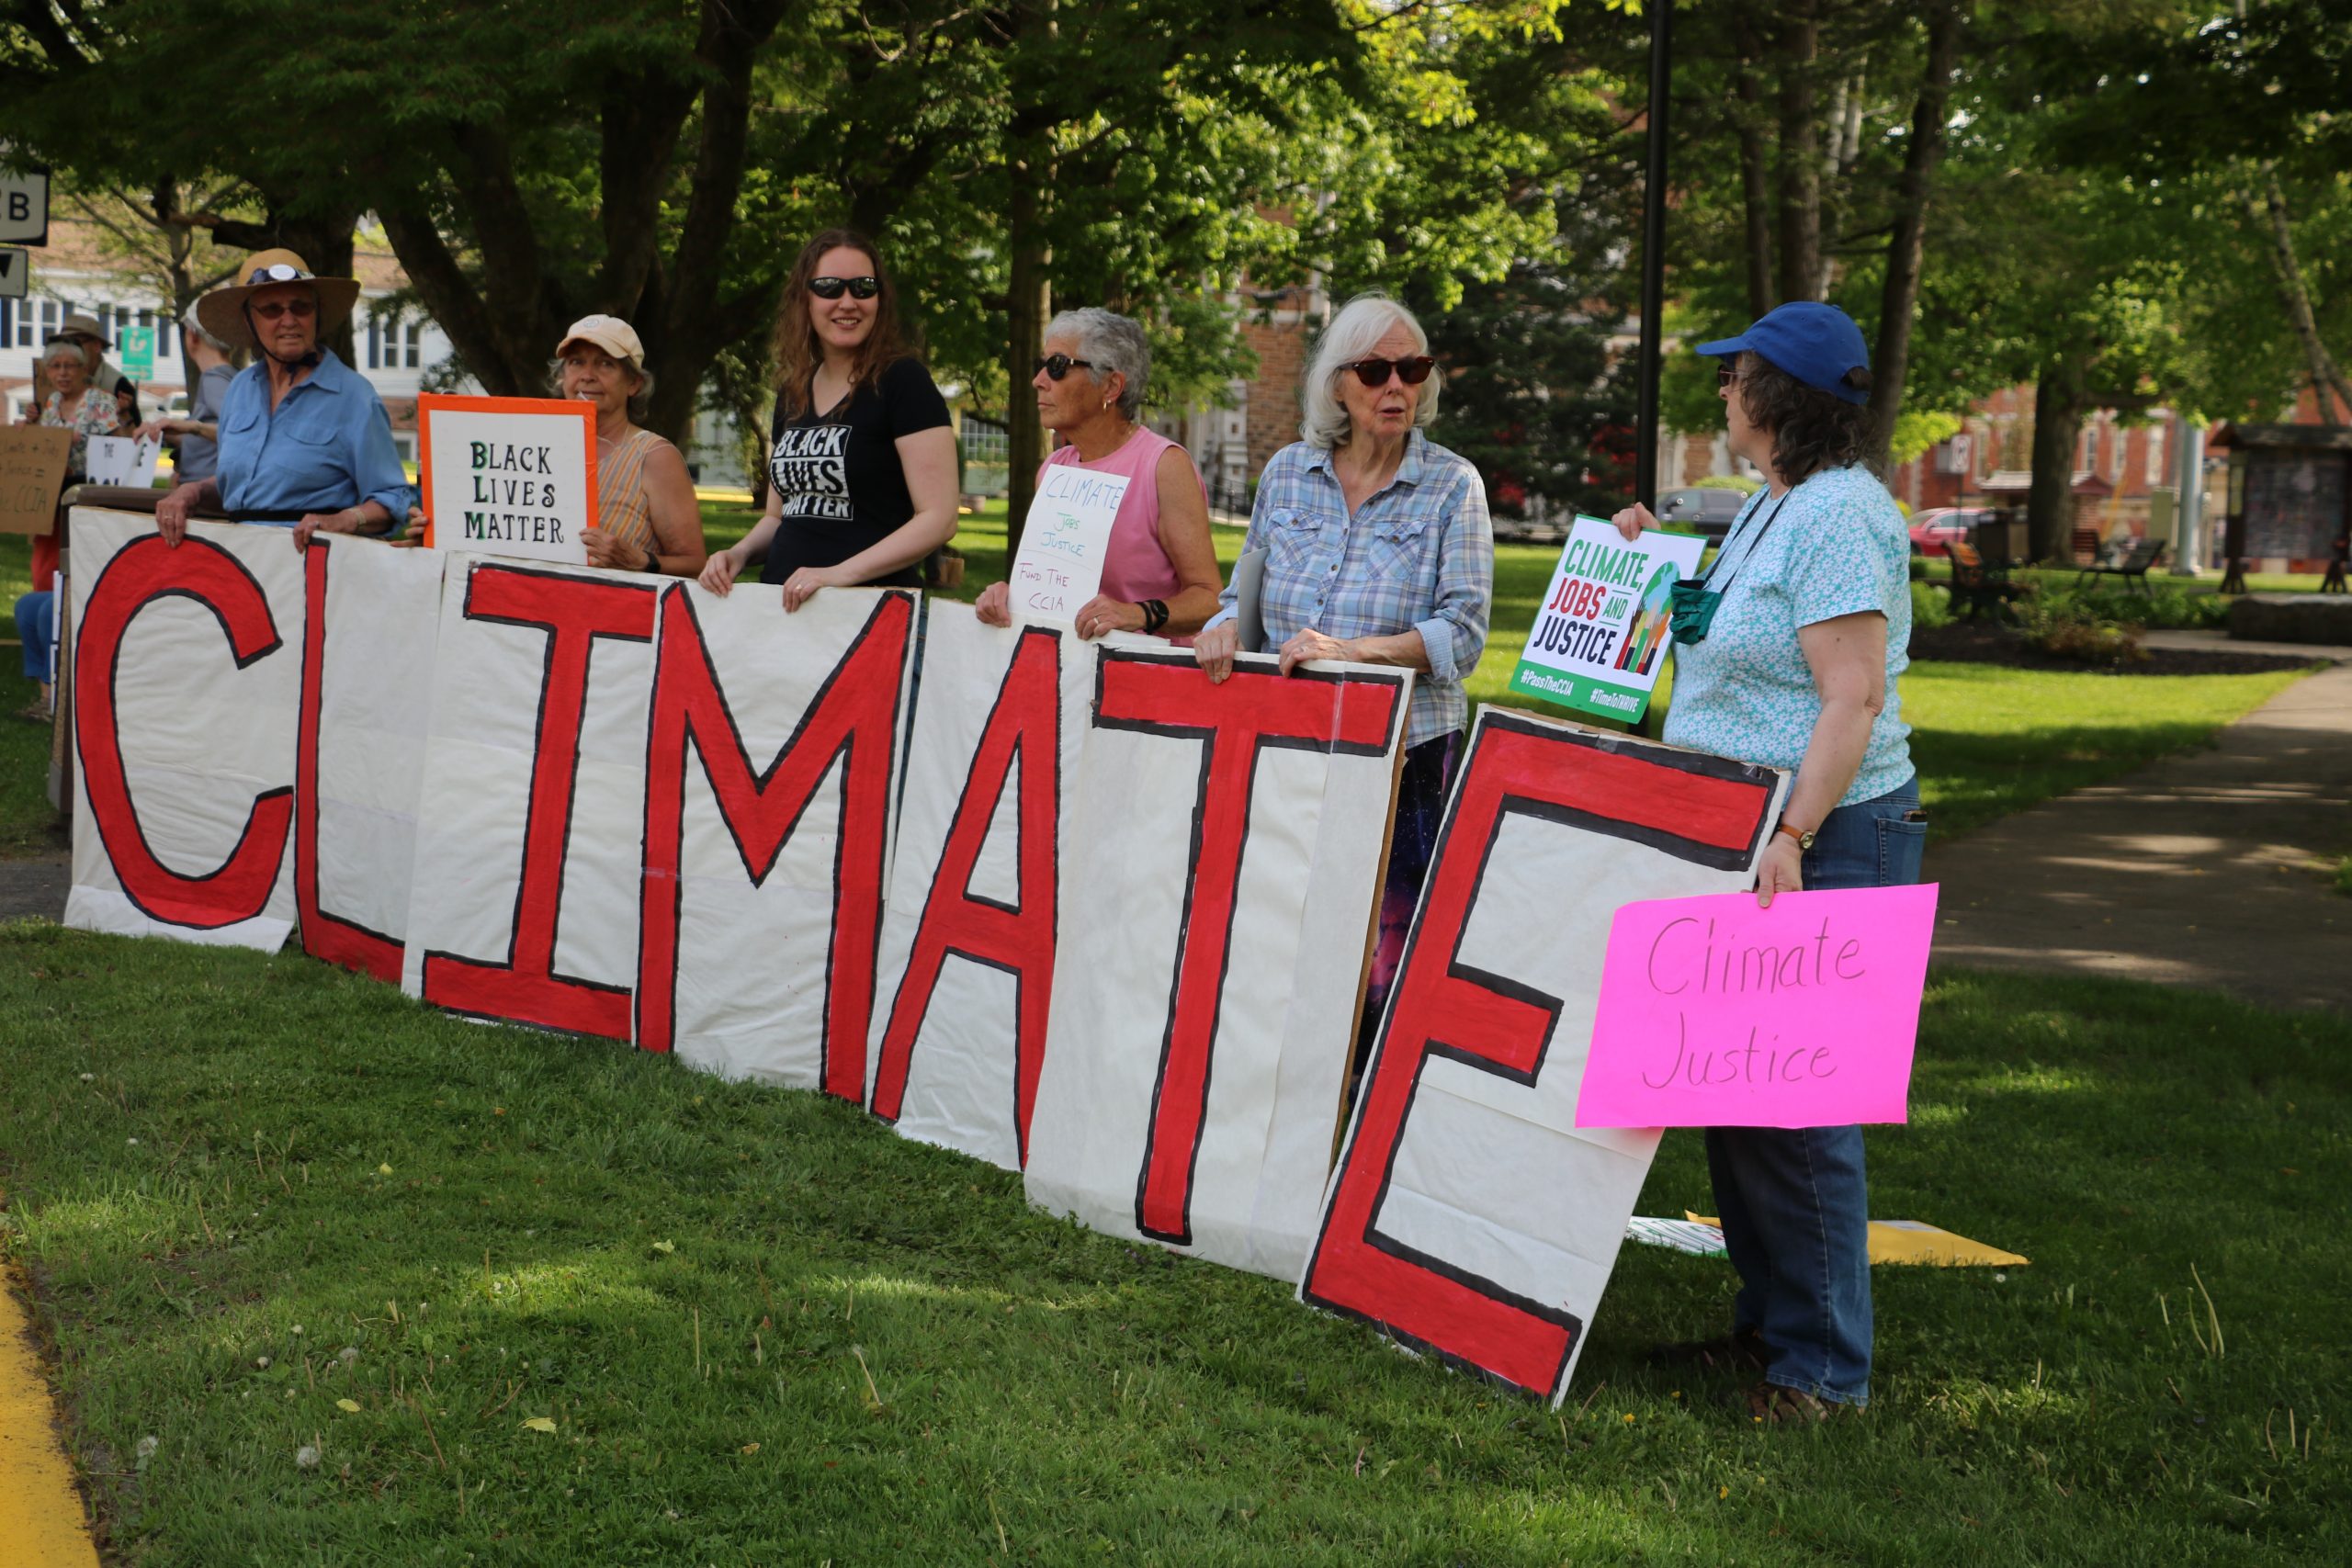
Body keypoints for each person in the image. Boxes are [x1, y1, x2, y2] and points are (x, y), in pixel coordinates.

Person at [1611, 300, 1920, 1425]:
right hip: (1754, 827)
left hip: (1824, 833)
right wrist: (1649, 563)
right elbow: (1727, 628)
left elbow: (1853, 694)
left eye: (1733, 375)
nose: (1721, 392)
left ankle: (1825, 1375)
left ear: (1773, 397)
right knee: (1738, 1095)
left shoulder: (1839, 514)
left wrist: (1787, 833)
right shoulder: (1774, 507)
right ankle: (1773, 1334)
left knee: (1802, 1106)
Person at [1193, 291, 1493, 1067]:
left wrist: (1355, 652)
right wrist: (1225, 624)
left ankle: (1368, 1107)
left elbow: (1462, 634)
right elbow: (1244, 595)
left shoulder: (1453, 486)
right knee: (1287, 917)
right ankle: (1282, 1081)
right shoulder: (1287, 475)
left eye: (1413, 368)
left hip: (1407, 754)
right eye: (1375, 370)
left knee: (1389, 944)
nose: (1397, 386)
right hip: (1292, 742)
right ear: (1337, 385)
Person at [698, 229, 957, 611]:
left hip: (868, 620)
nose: (848, 302)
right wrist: (737, 555)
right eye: (830, 287)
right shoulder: (793, 392)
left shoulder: (903, 381)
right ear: (804, 298)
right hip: (783, 612)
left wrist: (838, 574)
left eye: (863, 287)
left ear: (880, 299)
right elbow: (778, 515)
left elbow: (939, 518)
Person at [974, 308, 1220, 640]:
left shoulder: (1163, 466)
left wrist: (1137, 614)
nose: (1038, 380)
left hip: (1145, 676)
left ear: (1110, 386)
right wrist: (1007, 595)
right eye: (1041, 365)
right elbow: (1051, 586)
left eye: (1057, 366)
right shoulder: (1053, 470)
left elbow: (1209, 598)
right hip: (1068, 674)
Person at [400, 315, 707, 576]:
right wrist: (435, 536)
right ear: (562, 377)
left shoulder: (653, 457)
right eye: (576, 363)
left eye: (606, 364)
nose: (588, 376)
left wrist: (642, 561)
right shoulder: (521, 449)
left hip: (609, 635)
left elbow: (695, 563)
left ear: (634, 384)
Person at [152, 249, 413, 550]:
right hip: (240, 566)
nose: (289, 320)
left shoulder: (354, 396)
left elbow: (393, 497)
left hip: (314, 569)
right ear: (249, 321)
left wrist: (345, 520)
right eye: (272, 309)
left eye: (300, 307)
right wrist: (191, 491)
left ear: (316, 314)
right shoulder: (239, 389)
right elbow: (244, 489)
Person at [137, 307, 243, 483]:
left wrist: (192, 427)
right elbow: (211, 438)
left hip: (206, 495)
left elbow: (237, 433)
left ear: (192, 336)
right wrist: (165, 431)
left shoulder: (214, 379)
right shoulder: (230, 376)